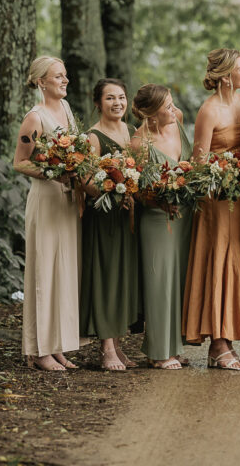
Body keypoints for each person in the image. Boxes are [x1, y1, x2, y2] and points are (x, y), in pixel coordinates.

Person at [182, 48, 240, 370]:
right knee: (220, 263)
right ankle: (218, 343)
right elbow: (198, 161)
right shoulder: (209, 111)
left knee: (237, 266)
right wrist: (225, 172)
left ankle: (226, 340)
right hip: (216, 200)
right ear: (227, 75)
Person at [13, 56, 86, 371]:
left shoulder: (66, 110)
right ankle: (39, 350)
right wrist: (51, 172)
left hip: (67, 201)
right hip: (45, 200)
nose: (65, 80)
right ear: (41, 81)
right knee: (44, 272)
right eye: (58, 76)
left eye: (65, 75)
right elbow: (19, 162)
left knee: (63, 272)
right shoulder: (34, 117)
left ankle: (56, 346)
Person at [131, 84, 193, 370]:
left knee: (178, 280)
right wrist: (161, 202)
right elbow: (140, 189)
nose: (172, 109)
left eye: (171, 104)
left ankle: (175, 346)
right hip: (158, 219)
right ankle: (157, 352)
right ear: (150, 114)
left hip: (186, 214)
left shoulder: (177, 120)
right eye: (166, 106)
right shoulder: (139, 143)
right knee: (159, 282)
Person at [80, 78, 140, 371]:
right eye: (109, 99)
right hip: (104, 215)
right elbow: (86, 181)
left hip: (127, 215)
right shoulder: (92, 137)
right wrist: (114, 191)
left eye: (121, 97)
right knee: (106, 276)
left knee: (122, 277)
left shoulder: (132, 131)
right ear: (98, 103)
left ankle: (117, 343)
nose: (117, 103)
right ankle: (105, 349)